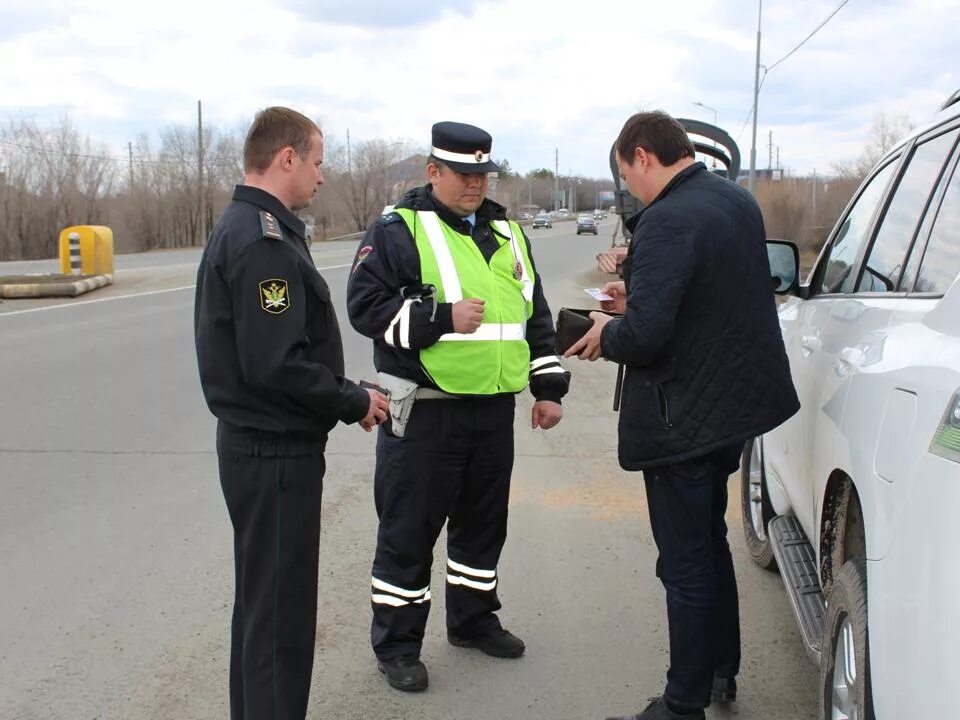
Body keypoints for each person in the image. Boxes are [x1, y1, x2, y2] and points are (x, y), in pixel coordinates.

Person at [564, 111, 799, 720]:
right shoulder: (732, 201)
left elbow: (644, 339)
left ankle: (683, 701)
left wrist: (602, 330)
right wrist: (634, 296)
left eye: (626, 175)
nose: (629, 191)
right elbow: (707, 294)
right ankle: (721, 671)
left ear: (643, 156)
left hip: (684, 416)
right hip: (731, 410)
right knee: (710, 544)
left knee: (686, 562)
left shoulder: (667, 219)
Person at [346, 121, 570, 692]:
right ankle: (397, 646)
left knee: (482, 526)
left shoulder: (508, 233)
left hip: (491, 412)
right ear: (433, 172)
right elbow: (366, 307)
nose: (475, 183)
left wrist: (547, 389)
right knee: (408, 532)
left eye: (482, 173)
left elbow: (533, 319)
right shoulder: (399, 229)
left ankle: (472, 621)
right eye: (463, 174)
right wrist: (440, 317)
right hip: (425, 410)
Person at [194, 106, 389, 720]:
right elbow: (276, 363)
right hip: (274, 454)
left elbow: (279, 355)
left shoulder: (250, 227)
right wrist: (351, 399)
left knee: (261, 611)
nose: (321, 177)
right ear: (287, 159)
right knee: (278, 623)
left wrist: (340, 385)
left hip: (260, 447)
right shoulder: (262, 241)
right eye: (317, 162)